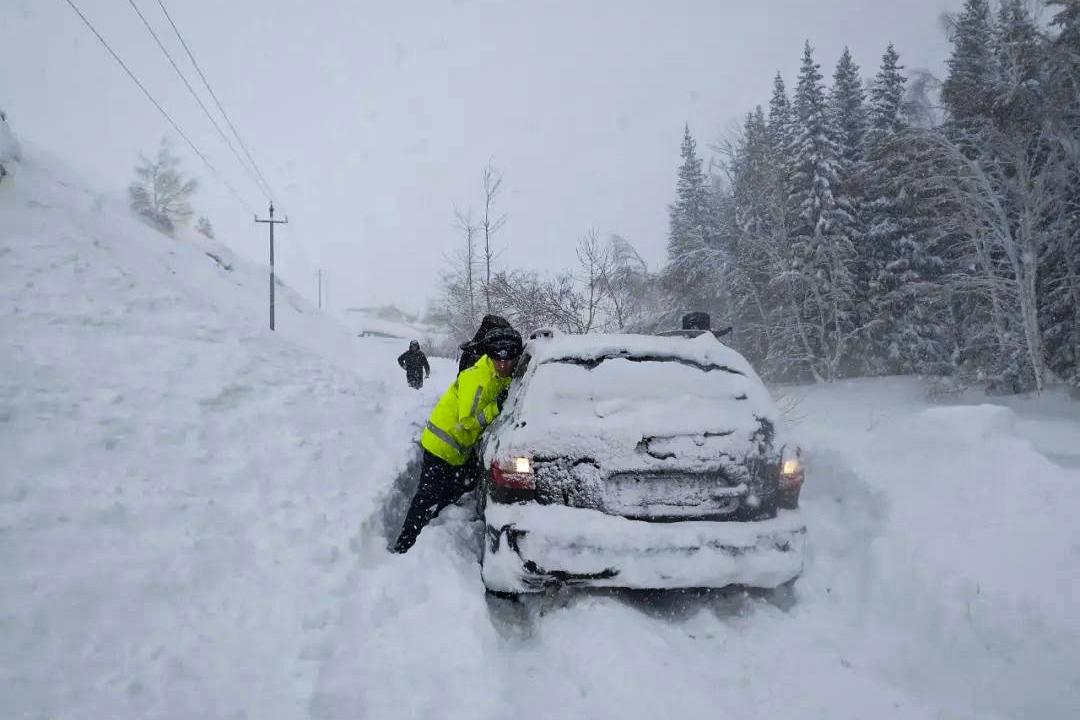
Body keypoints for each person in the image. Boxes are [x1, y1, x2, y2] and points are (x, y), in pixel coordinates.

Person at [392, 326, 524, 553]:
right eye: (497, 359)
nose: (503, 364)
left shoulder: (500, 375)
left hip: (457, 447)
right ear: (490, 356)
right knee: (427, 494)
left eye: (509, 359)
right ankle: (405, 544)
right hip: (442, 443)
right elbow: (467, 422)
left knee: (463, 482)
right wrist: (496, 407)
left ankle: (435, 519)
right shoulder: (478, 379)